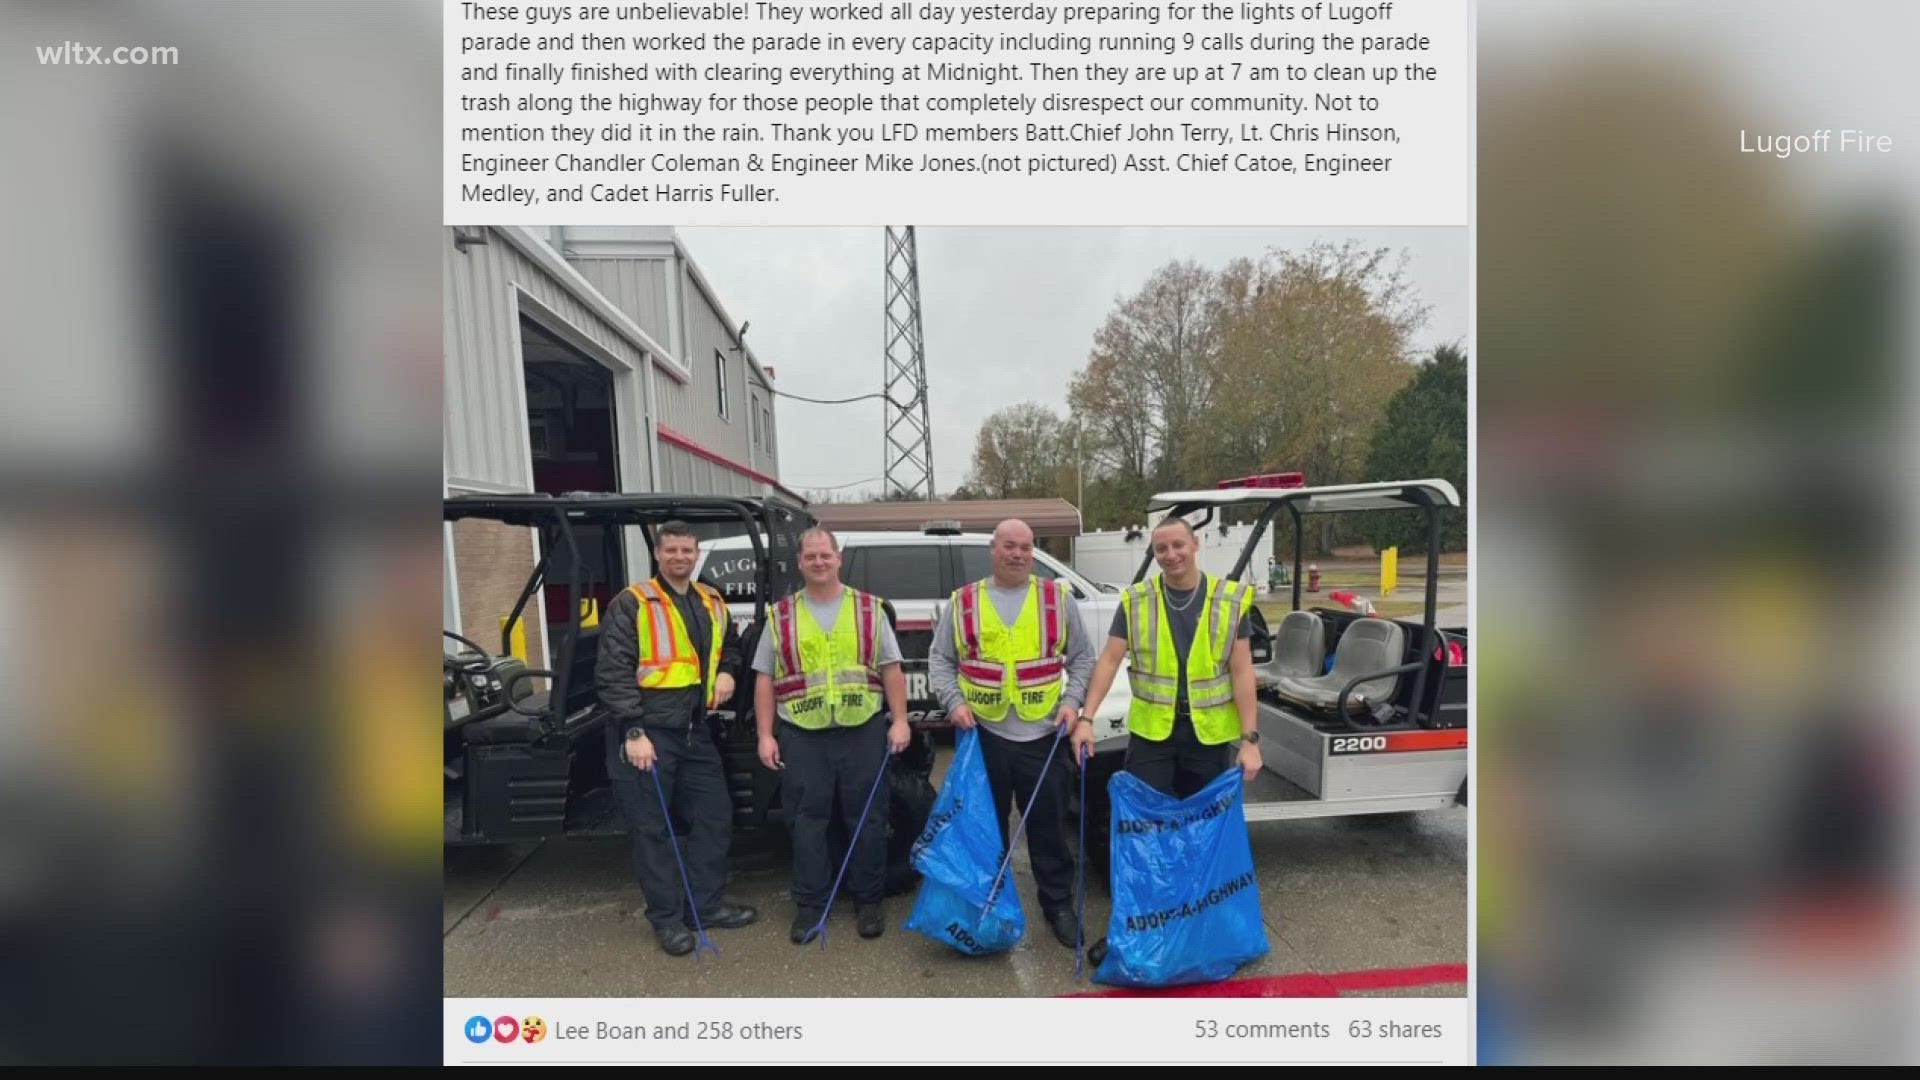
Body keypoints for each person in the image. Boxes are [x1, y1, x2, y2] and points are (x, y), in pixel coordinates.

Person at [928, 519, 1096, 949]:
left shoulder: (1057, 598)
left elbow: (1082, 658)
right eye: (1009, 546)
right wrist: (954, 703)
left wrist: (1073, 703)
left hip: (1044, 736)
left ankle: (1057, 906)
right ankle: (990, 907)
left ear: (1032, 552)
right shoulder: (964, 602)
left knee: (1049, 831)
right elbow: (941, 660)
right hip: (984, 736)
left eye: (1025, 547)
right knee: (987, 830)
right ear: (993, 549)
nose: (1017, 554)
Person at [596, 520, 760, 956]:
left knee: (714, 818)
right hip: (648, 736)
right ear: (658, 555)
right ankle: (667, 920)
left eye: (687, 550)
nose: (680, 557)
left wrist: (727, 670)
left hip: (696, 732)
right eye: (672, 551)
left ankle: (704, 907)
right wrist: (633, 730)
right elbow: (613, 671)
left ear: (696, 553)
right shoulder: (632, 604)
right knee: (654, 831)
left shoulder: (710, 598)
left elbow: (731, 645)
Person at [751, 528, 911, 944]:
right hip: (803, 734)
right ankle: (810, 906)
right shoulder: (781, 615)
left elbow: (891, 668)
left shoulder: (868, 609)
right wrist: (765, 735)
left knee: (869, 821)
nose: (819, 562)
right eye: (811, 557)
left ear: (838, 559)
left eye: (826, 555)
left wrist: (900, 720)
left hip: (862, 730)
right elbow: (765, 679)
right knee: (807, 823)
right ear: (800, 563)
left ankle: (869, 902)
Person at [1077, 516, 1263, 797]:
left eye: (1179, 545)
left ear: (1195, 544)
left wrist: (1250, 740)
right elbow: (1109, 660)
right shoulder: (1136, 601)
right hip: (1152, 736)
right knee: (1148, 824)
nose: (1171, 555)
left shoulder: (1230, 601)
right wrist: (1086, 720)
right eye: (1161, 549)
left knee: (1202, 825)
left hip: (1208, 737)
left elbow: (1242, 672)